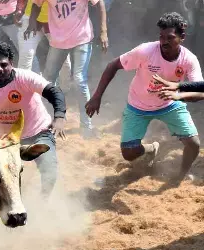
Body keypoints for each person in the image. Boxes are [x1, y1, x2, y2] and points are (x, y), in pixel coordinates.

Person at [85, 12, 202, 183]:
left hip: (170, 104)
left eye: (170, 37)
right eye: (161, 37)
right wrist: (96, 96)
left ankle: (179, 177)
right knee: (128, 152)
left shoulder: (189, 60)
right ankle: (150, 150)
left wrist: (177, 96)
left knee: (194, 144)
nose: (164, 42)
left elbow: (200, 91)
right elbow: (113, 65)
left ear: (182, 37)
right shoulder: (146, 51)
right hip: (138, 106)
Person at [0, 42, 66, 198]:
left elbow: (54, 92)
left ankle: (43, 203)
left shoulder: (24, 77)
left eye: (4, 65)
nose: (0, 69)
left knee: (49, 172)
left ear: (11, 63)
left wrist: (59, 117)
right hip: (5, 141)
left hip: (39, 133)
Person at [28, 0, 108, 137]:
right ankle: (48, 121)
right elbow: (36, 4)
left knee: (79, 80)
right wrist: (31, 23)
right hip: (58, 41)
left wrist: (103, 31)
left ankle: (87, 127)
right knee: (48, 79)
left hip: (82, 39)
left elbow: (100, 3)